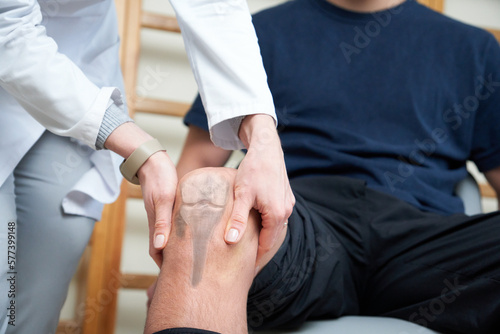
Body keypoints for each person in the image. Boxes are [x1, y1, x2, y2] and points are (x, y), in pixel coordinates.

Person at [145, 0, 500, 333]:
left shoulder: (475, 50)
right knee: (207, 192)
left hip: (424, 241)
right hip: (298, 227)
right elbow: (200, 161)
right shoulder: (256, 34)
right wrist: (178, 263)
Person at [0, 0, 293, 332]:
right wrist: (142, 151)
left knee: (37, 296)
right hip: (12, 46)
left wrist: (264, 137)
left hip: (74, 70)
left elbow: (214, 7)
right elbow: (8, 28)